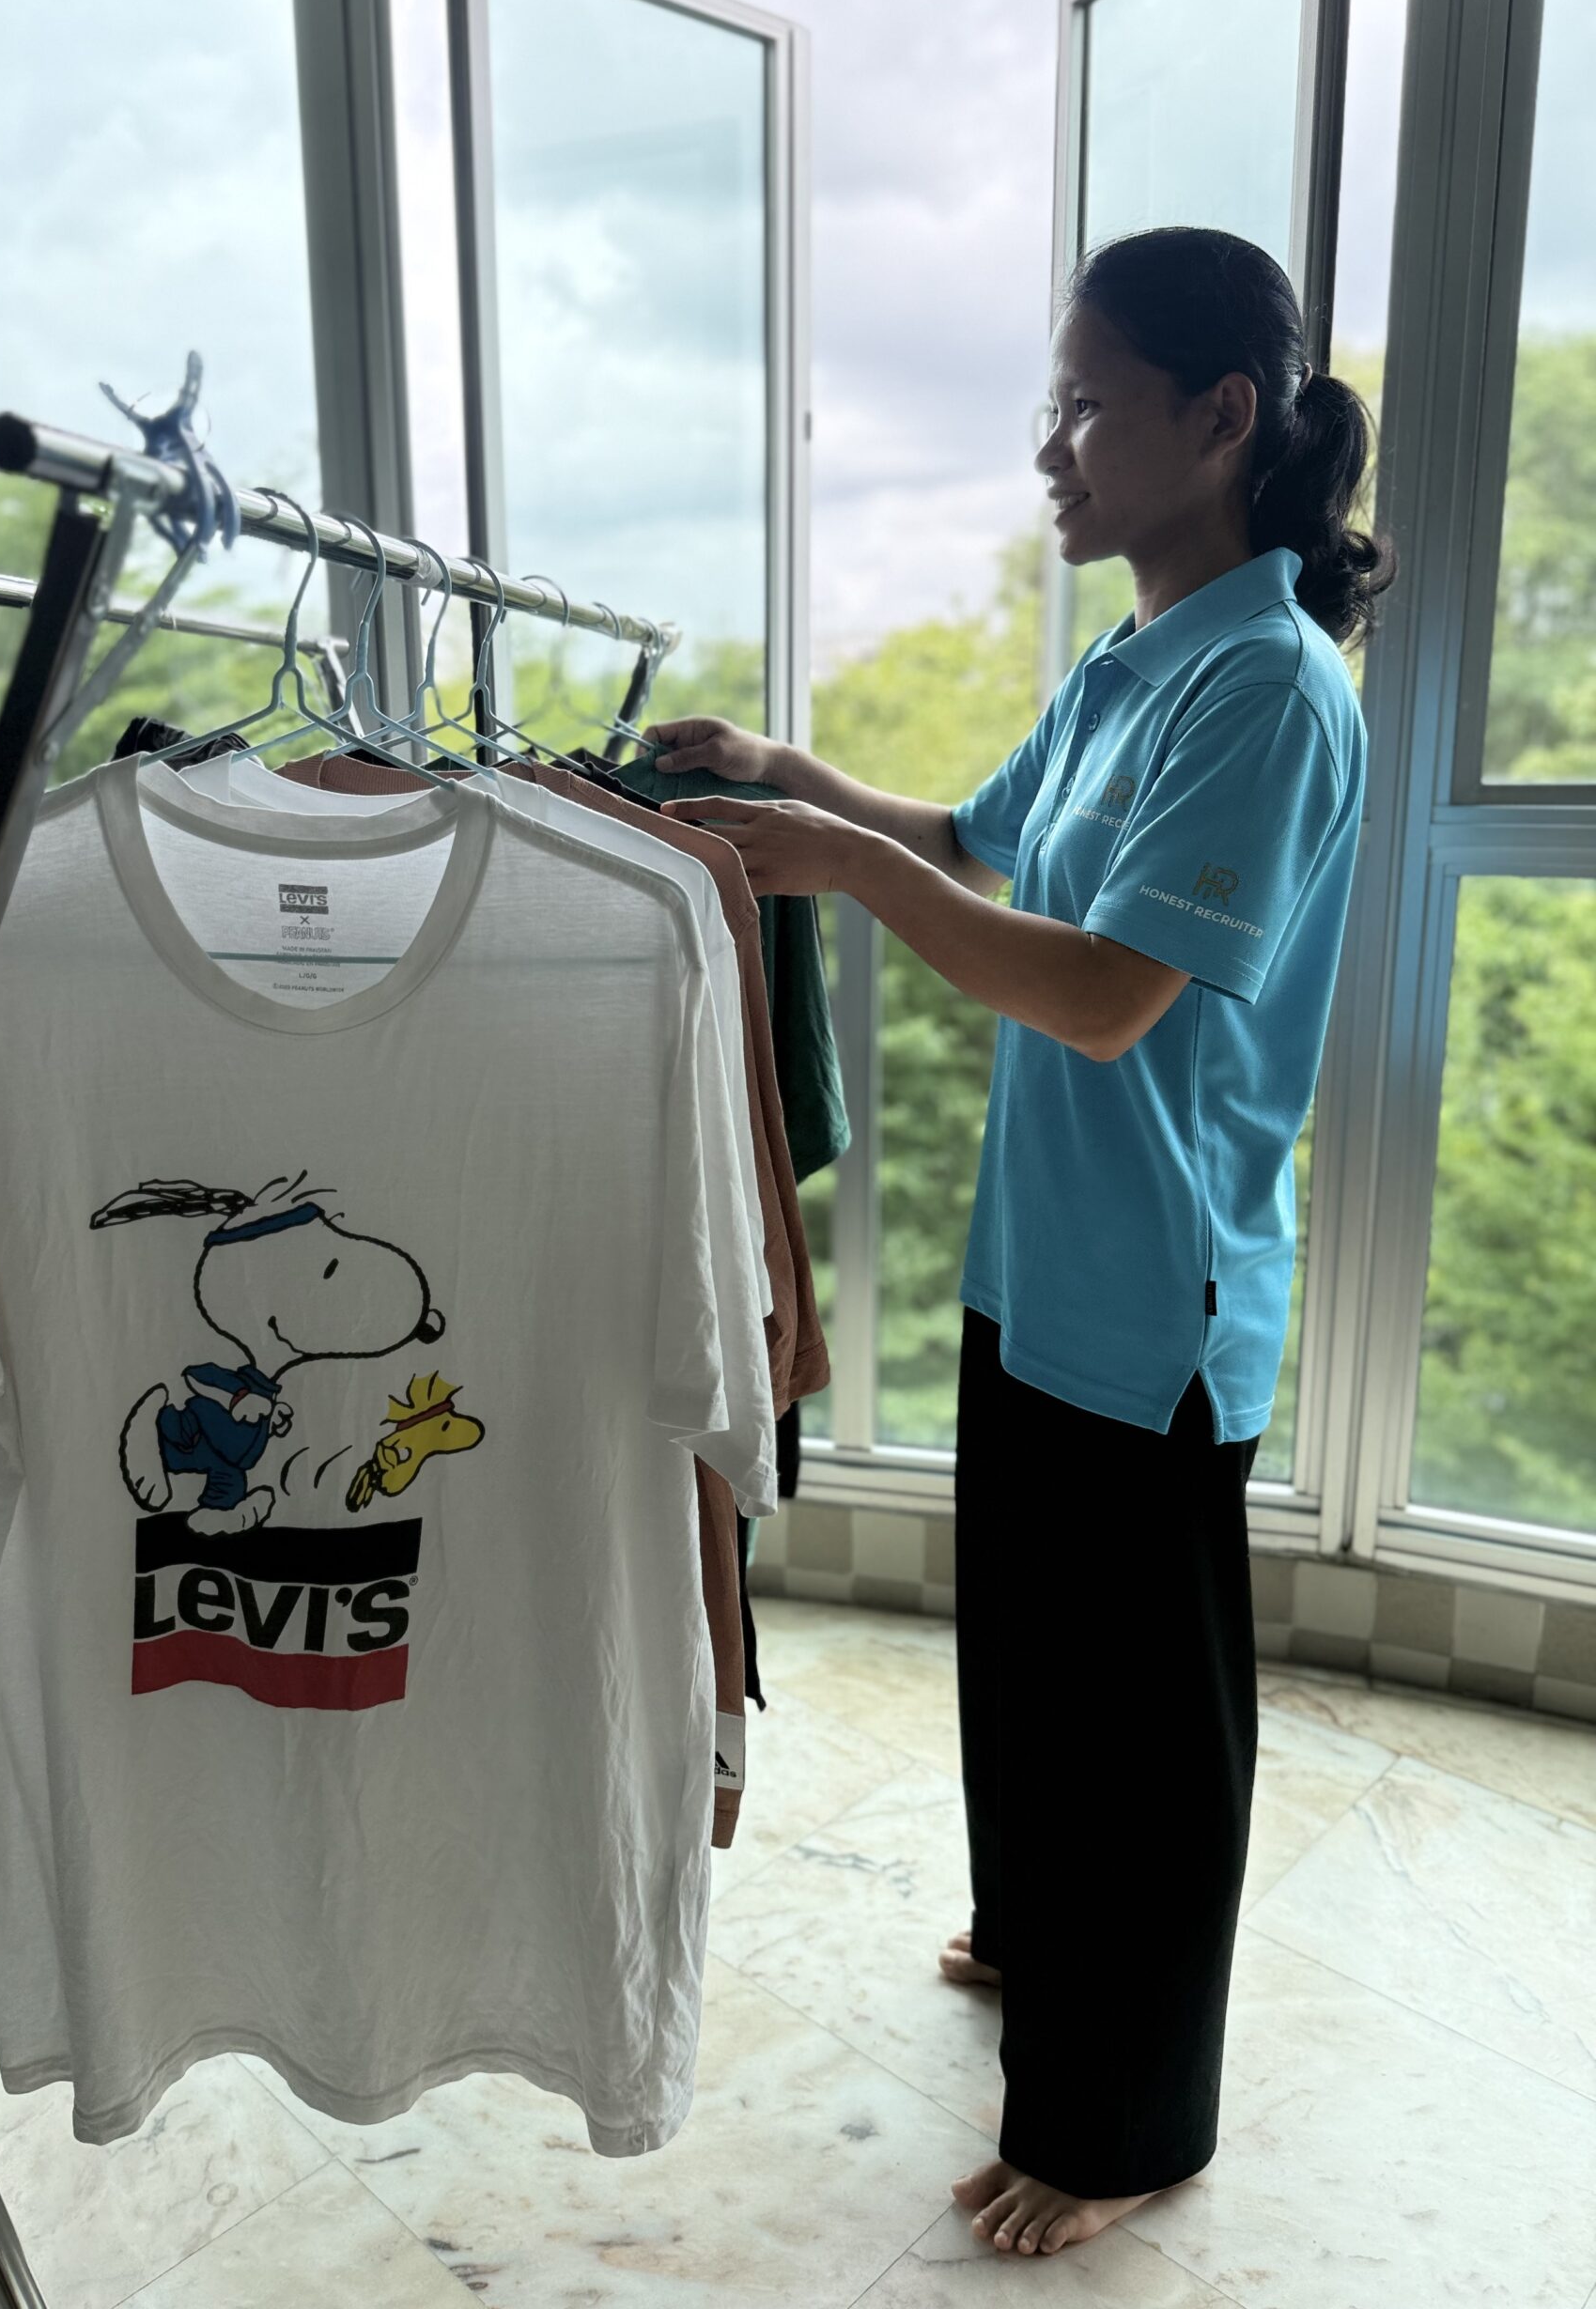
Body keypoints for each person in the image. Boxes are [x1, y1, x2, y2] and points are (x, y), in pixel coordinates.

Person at [646, 225, 1394, 2262]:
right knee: (1046, 1662)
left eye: (1085, 403)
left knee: (1149, 1716)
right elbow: (980, 838)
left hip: (1158, 1286)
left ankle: (1135, 2108)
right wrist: (796, 779)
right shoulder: (1135, 661)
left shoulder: (1267, 686)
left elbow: (1101, 991)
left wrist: (834, 867)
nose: (1049, 450)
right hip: (1039, 1257)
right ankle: (1043, 1928)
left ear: (1220, 417)